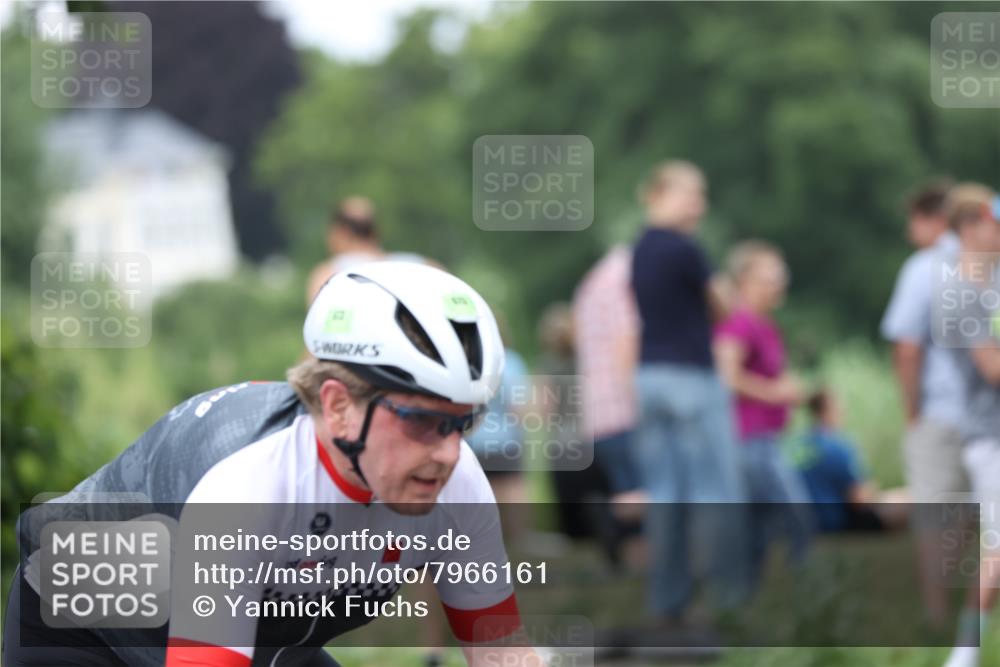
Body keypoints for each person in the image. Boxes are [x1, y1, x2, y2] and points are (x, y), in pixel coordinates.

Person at [4, 262, 541, 667]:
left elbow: (500, 652)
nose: (447, 452)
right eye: (420, 420)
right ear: (338, 407)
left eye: (461, 422)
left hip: (256, 630)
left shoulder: (458, 484)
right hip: (85, 621)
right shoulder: (248, 490)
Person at [630, 160, 748, 624]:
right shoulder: (685, 248)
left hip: (649, 378)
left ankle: (667, 602)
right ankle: (728, 603)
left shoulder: (638, 249)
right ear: (660, 193)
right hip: (691, 379)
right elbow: (725, 307)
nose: (700, 204)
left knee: (666, 495)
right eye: (691, 194)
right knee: (719, 490)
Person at [880, 179, 967, 627]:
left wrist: (911, 408)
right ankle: (978, 613)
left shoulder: (923, 268)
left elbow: (908, 347)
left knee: (936, 515)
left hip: (941, 411)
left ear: (932, 218)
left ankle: (937, 616)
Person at [713, 241, 813, 583]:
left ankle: (743, 605)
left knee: (757, 530)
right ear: (745, 280)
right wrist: (775, 393)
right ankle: (808, 592)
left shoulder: (765, 325)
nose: (780, 282)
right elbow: (727, 376)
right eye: (772, 275)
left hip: (766, 438)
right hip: (748, 440)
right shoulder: (739, 323)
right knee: (798, 516)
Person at [936, 184, 1000, 667]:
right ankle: (964, 652)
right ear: (972, 225)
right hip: (990, 436)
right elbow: (992, 368)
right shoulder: (960, 290)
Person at [572, 245, 643, 500]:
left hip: (597, 416)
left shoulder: (590, 286)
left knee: (626, 494)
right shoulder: (622, 279)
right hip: (623, 411)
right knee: (641, 498)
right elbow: (626, 344)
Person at [792, 389, 889, 533]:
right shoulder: (840, 445)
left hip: (803, 521)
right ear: (831, 410)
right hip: (836, 520)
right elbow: (859, 498)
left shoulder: (795, 444)